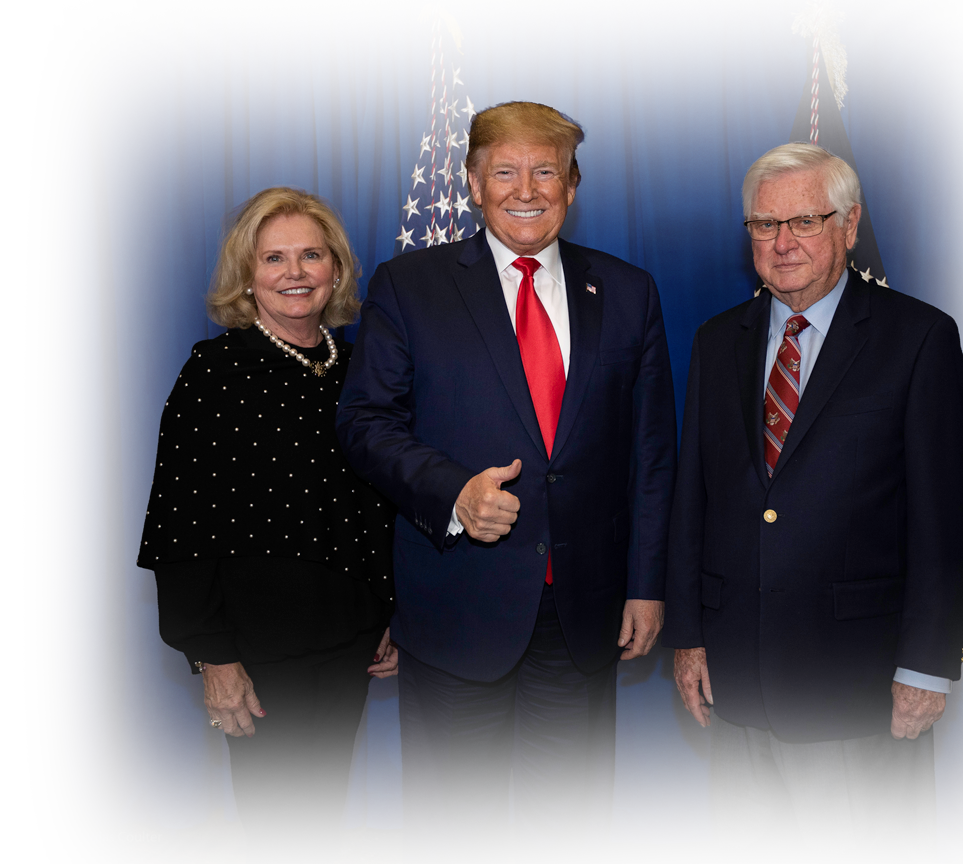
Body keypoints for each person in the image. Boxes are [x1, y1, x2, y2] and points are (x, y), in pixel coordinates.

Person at [337, 101, 677, 863]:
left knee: (569, 822)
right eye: (505, 172)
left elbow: (653, 454)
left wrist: (647, 585)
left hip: (583, 609)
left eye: (545, 171)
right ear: (472, 184)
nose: (526, 190)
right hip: (457, 599)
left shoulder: (628, 291)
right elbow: (363, 423)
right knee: (455, 825)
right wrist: (453, 492)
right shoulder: (409, 284)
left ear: (573, 186)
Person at [664, 143, 963, 863]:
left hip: (856, 685)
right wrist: (688, 636)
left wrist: (925, 667)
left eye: (805, 220)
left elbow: (942, 522)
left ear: (850, 225)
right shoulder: (717, 341)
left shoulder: (918, 337)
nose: (783, 242)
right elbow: (693, 502)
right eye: (765, 225)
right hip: (734, 681)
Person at [138, 186, 397, 864]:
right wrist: (213, 658)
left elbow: (379, 504)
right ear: (246, 277)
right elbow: (180, 524)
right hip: (259, 651)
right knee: (280, 834)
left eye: (312, 254)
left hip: (350, 635)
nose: (295, 272)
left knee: (320, 822)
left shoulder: (362, 370)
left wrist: (388, 609)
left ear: (337, 268)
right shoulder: (213, 373)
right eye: (274, 258)